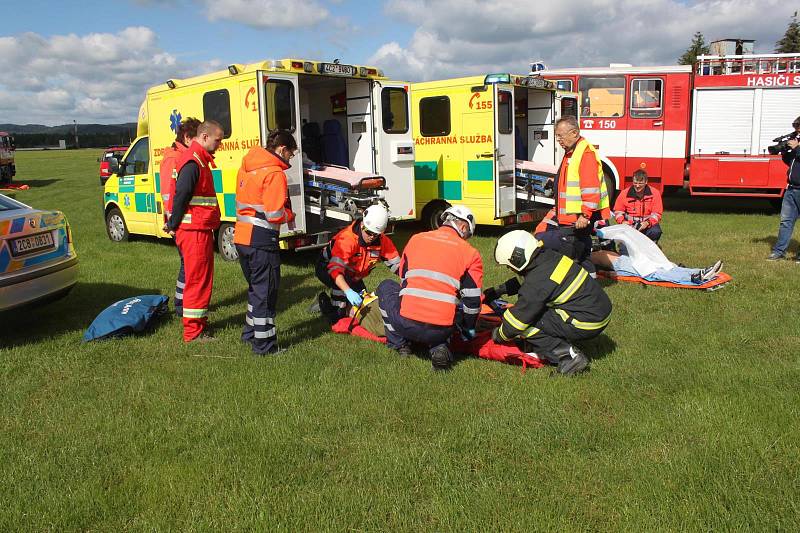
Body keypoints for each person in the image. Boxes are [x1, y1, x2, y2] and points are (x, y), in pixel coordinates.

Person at [486, 230, 612, 375]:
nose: (509, 268)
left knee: (527, 323)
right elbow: (529, 281)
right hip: (599, 309)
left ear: (517, 258)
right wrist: (499, 290)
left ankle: (568, 357)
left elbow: (517, 322)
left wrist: (498, 335)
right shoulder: (547, 257)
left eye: (509, 265)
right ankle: (553, 341)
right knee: (537, 313)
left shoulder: (537, 281)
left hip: (588, 322)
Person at [376, 205, 483, 371]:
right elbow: (473, 301)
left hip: (406, 324)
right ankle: (439, 347)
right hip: (441, 330)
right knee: (452, 310)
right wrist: (468, 327)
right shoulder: (470, 253)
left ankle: (399, 345)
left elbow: (404, 278)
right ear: (463, 227)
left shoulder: (416, 239)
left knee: (386, 287)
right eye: (467, 235)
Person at [233, 130, 297, 355]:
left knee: (256, 291)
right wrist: (290, 215)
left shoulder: (247, 166)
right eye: (291, 153)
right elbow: (274, 214)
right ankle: (265, 347)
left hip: (241, 237)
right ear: (282, 149)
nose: (291, 158)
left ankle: (249, 334)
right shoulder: (274, 173)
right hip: (262, 240)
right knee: (265, 295)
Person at [166, 120, 224, 342]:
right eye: (218, 140)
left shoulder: (198, 159)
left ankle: (198, 325)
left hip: (198, 228)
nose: (220, 144)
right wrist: (174, 224)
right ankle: (193, 331)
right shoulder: (193, 161)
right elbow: (181, 195)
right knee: (197, 281)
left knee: (200, 279)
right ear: (205, 137)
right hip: (193, 231)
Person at [534, 115, 611, 270]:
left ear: (574, 133)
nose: (558, 140)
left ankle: (571, 286)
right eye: (557, 136)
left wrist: (585, 214)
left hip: (576, 217)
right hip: (570, 216)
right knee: (582, 253)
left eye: (560, 136)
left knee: (570, 253)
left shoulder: (584, 153)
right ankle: (591, 285)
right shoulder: (572, 151)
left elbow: (590, 187)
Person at [315, 204, 400, 323]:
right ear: (362, 225)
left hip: (352, 275)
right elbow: (335, 270)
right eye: (369, 232)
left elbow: (397, 265)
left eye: (376, 234)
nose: (371, 237)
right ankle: (327, 306)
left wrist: (410, 280)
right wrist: (348, 291)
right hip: (327, 268)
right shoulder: (347, 240)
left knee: (364, 302)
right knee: (339, 311)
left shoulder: (381, 241)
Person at [159, 117, 201, 318]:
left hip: (183, 220)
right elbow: (170, 194)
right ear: (186, 137)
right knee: (188, 264)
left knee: (187, 264)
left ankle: (181, 303)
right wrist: (173, 222)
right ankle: (181, 305)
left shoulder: (182, 156)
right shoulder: (174, 158)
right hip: (181, 222)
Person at [592, 223, 722, 284]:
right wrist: (607, 274)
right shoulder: (593, 257)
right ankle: (694, 276)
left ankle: (700, 271)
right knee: (655, 271)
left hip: (624, 262)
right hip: (624, 265)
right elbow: (610, 272)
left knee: (661, 266)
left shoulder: (598, 254)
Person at [767, 116, 800, 261]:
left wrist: (797, 148)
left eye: (799, 126)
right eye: (796, 126)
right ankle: (778, 252)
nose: (797, 129)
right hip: (791, 189)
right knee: (786, 221)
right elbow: (790, 161)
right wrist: (784, 151)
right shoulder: (797, 142)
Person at [612, 168, 663, 243]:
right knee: (625, 251)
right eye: (635, 183)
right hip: (629, 226)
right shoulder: (624, 193)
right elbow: (617, 212)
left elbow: (657, 214)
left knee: (655, 231)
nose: (637, 186)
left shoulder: (655, 193)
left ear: (646, 182)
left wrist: (647, 223)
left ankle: (651, 246)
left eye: (640, 183)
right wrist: (622, 222)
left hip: (647, 225)